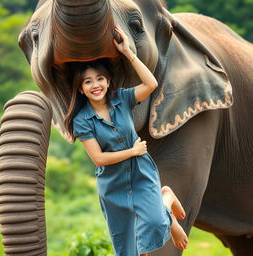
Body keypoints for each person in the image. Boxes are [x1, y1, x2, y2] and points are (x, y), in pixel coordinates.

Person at [64, 25, 188, 256]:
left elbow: (150, 84)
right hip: (113, 184)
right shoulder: (82, 120)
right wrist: (132, 151)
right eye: (88, 82)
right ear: (81, 89)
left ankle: (166, 198)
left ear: (108, 82)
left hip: (141, 173)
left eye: (100, 79)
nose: (96, 85)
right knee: (129, 247)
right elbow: (99, 159)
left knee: (154, 224)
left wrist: (129, 53)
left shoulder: (122, 99)